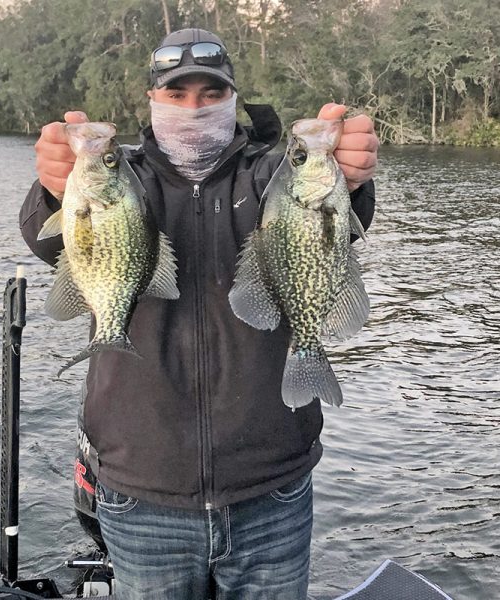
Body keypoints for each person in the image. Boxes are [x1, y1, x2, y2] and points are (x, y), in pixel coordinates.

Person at [20, 28, 377, 600]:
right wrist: (53, 189)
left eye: (210, 93)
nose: (193, 107)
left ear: (233, 98)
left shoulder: (269, 175)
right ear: (152, 100)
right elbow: (50, 244)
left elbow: (325, 222)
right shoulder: (124, 178)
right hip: (142, 491)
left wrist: (351, 178)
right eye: (177, 93)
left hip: (270, 487)